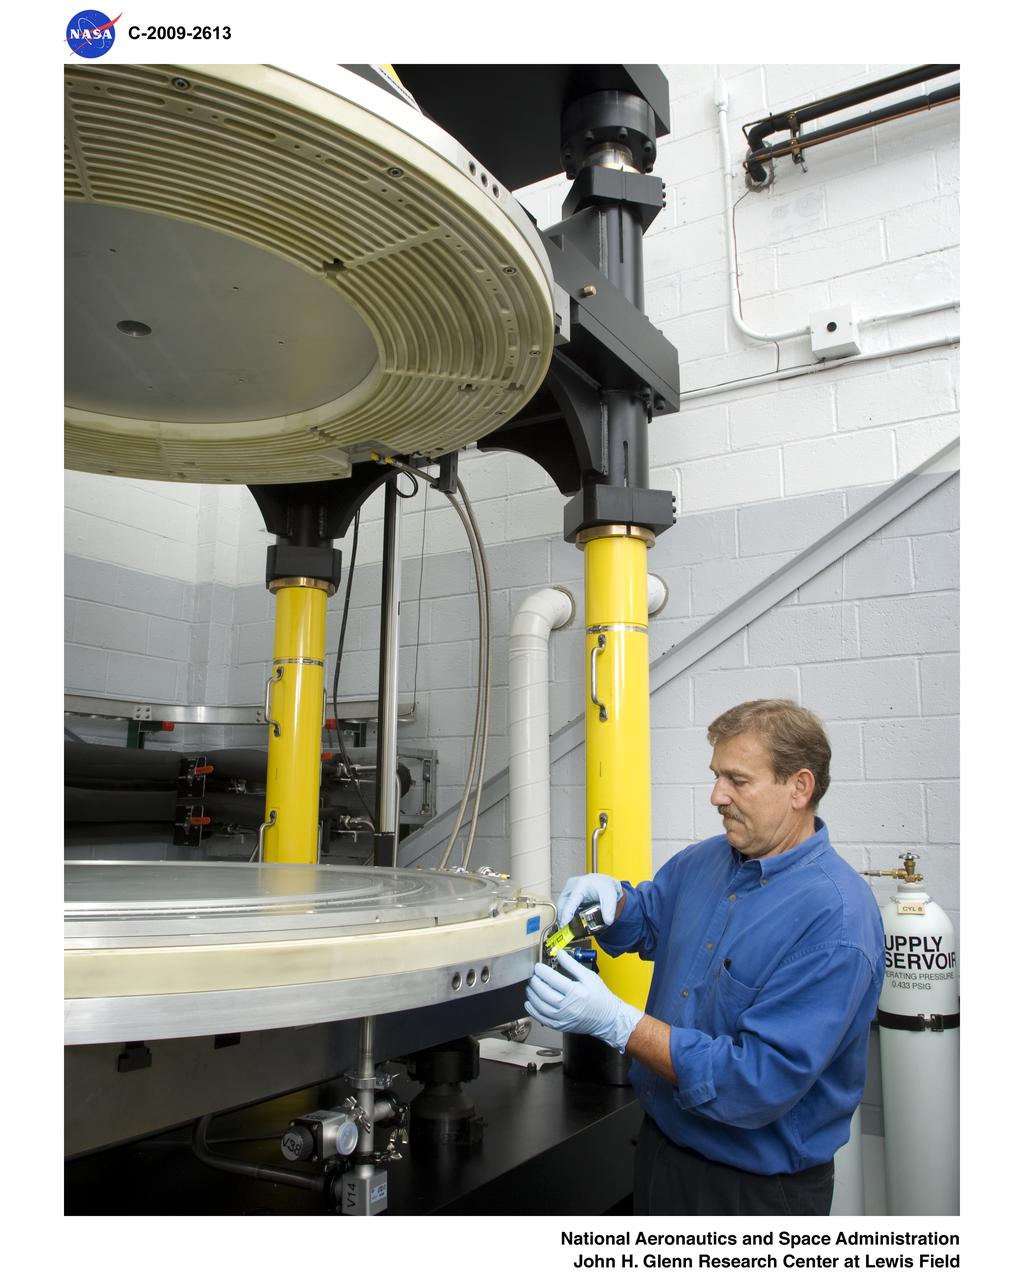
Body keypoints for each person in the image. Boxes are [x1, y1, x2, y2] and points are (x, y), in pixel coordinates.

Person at [525, 698, 884, 1216]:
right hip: (659, 1150)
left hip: (752, 1192)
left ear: (799, 788)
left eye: (738, 780)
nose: (717, 796)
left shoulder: (836, 921)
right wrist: (615, 902)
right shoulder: (704, 861)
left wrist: (620, 1024)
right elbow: (651, 919)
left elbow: (756, 1080)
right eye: (717, 776)